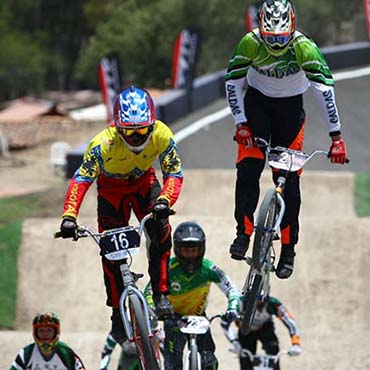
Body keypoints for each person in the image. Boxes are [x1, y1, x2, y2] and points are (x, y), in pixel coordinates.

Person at [225, 0, 348, 278]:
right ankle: (243, 233)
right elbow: (232, 83)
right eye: (271, 38)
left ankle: (288, 249)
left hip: (289, 112)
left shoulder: (305, 47)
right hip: (257, 106)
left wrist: (336, 137)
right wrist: (241, 123)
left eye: (282, 37)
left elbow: (324, 92)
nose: (277, 44)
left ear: (292, 30)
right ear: (260, 31)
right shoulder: (249, 43)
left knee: (290, 184)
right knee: (247, 170)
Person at [59, 86, 184, 345]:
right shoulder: (101, 145)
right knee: (110, 252)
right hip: (111, 191)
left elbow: (174, 173)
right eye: (130, 131)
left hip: (143, 184)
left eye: (142, 130)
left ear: (152, 124)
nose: (137, 137)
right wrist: (69, 216)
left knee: (161, 230)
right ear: (117, 128)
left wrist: (164, 202)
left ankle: (161, 293)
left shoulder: (162, 133)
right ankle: (117, 312)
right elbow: (81, 179)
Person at [144, 221, 240, 370]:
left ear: (201, 249)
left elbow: (231, 287)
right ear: (177, 249)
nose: (190, 255)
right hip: (172, 320)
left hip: (200, 319)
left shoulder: (209, 268)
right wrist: (153, 310)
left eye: (194, 250)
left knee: (210, 362)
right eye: (186, 251)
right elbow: (150, 291)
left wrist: (232, 308)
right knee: (173, 365)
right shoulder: (168, 268)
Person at [224, 295, 301, 370]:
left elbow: (290, 323)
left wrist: (296, 343)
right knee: (245, 360)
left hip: (265, 328)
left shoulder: (273, 304)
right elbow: (224, 323)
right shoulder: (239, 304)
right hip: (246, 332)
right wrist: (235, 342)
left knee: (273, 350)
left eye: (261, 301)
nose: (258, 303)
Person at [10, 312, 86, 370]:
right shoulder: (26, 353)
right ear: (35, 333)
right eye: (41, 330)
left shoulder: (66, 353)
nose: (45, 334)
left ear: (56, 332)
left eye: (49, 330)